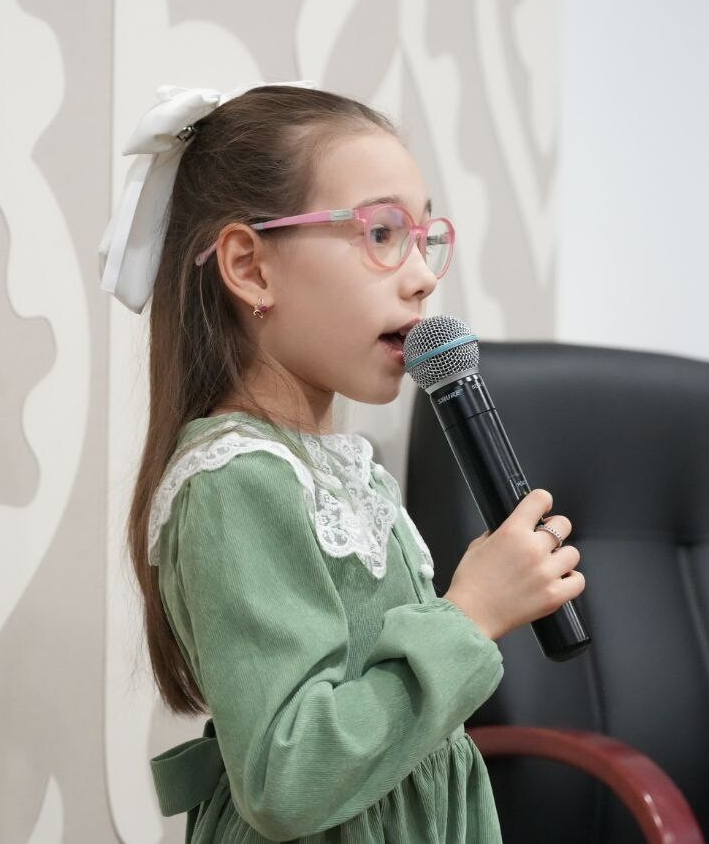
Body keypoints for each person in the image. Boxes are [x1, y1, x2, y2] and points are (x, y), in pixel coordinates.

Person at [101, 81, 585, 843]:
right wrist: (467, 616)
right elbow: (286, 775)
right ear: (251, 267)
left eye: (423, 238)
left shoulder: (339, 469)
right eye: (382, 233)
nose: (422, 275)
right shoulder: (233, 481)